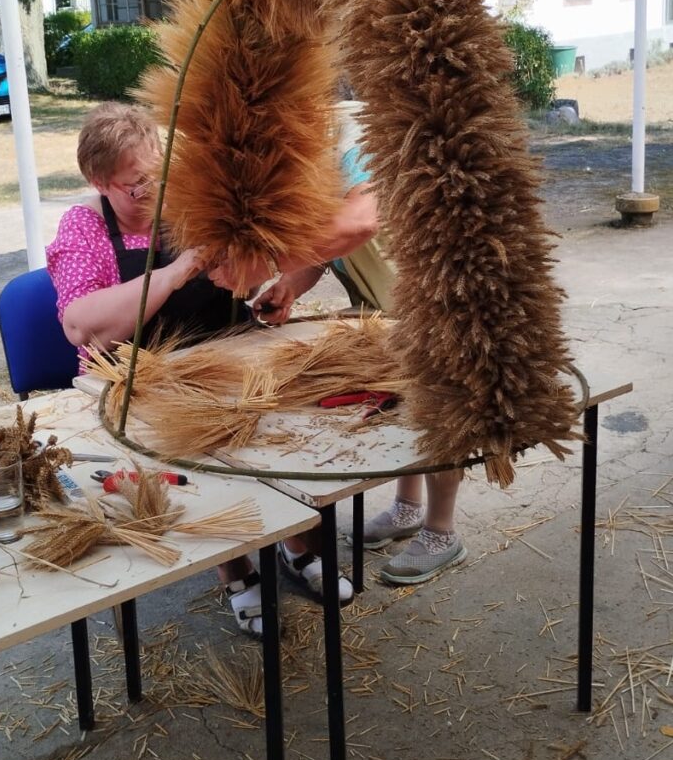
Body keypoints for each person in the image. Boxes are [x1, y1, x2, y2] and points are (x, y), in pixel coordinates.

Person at [47, 102, 352, 634]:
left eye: (155, 175)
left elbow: (273, 254)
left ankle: (298, 546)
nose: (150, 192)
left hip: (228, 355)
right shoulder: (85, 229)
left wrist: (273, 286)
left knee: (279, 432)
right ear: (98, 180)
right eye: (134, 185)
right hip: (144, 382)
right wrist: (173, 272)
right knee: (195, 464)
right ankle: (235, 569)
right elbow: (81, 327)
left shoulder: (190, 202)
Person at [221, 104, 466, 587]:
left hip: (436, 292)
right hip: (383, 299)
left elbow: (359, 224)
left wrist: (264, 259)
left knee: (441, 408)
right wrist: (289, 283)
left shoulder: (359, 142)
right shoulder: (301, 165)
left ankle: (442, 531)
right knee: (404, 397)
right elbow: (326, 248)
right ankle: (407, 508)